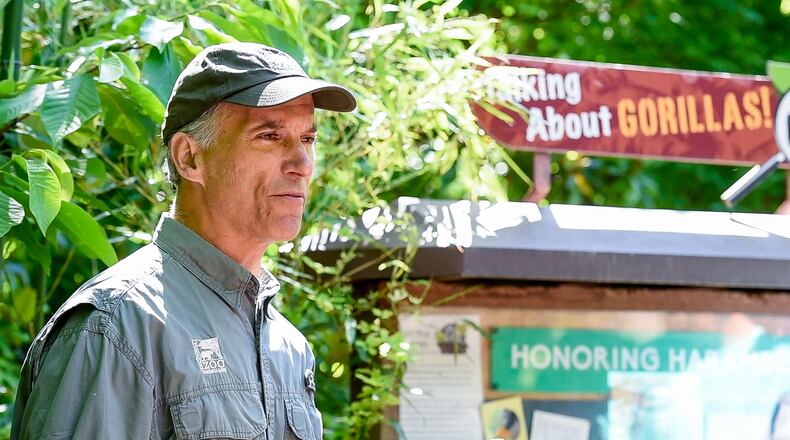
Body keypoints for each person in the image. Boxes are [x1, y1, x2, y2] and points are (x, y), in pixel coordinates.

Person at [11, 42, 356, 439]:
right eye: (270, 136)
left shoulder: (289, 348)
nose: (302, 165)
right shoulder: (118, 326)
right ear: (190, 157)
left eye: (308, 140)